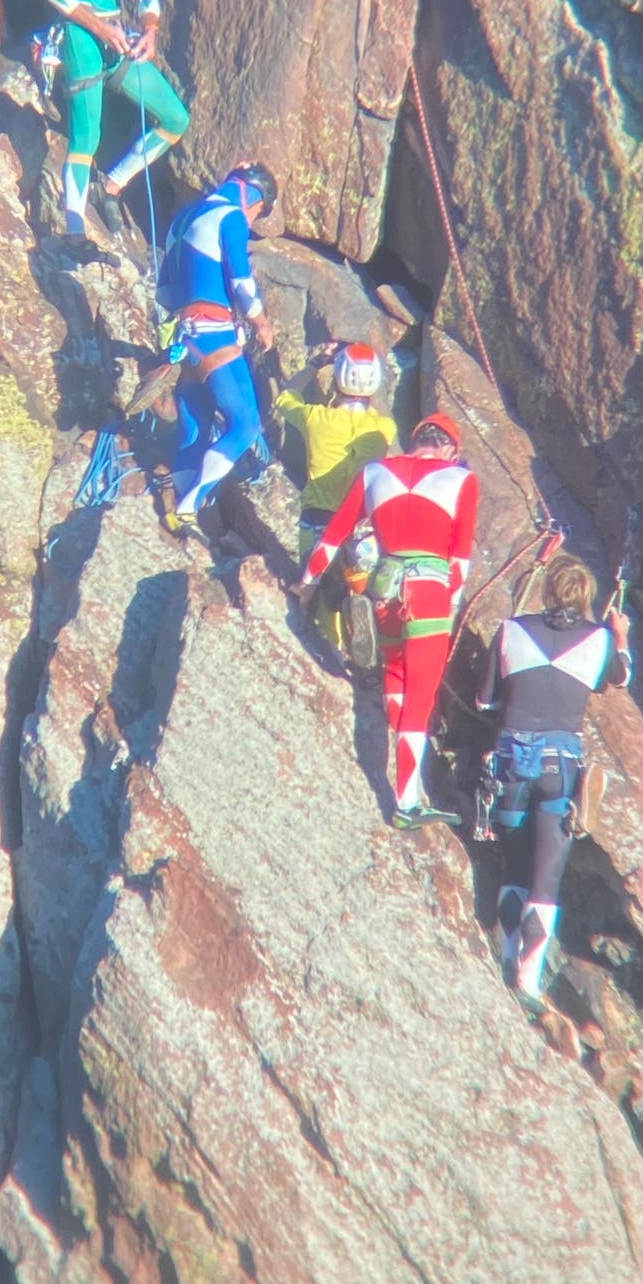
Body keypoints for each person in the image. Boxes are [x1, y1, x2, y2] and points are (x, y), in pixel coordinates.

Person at [299, 413, 479, 825]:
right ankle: (407, 803)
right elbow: (460, 558)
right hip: (429, 593)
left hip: (385, 589)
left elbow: (335, 534)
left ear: (416, 440)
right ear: (450, 448)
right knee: (421, 700)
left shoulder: (374, 472)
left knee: (395, 671)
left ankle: (403, 756)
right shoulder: (460, 480)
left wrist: (305, 582)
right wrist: (450, 607)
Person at [474, 555, 631, 1006]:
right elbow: (622, 677)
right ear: (585, 599)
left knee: (515, 865)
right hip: (558, 767)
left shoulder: (510, 630)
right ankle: (528, 977)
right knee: (546, 879)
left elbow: (484, 700)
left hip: (508, 762)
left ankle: (507, 952)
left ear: (547, 590)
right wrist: (620, 637)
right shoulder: (599, 640)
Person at [38, 0, 190, 238]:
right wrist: (100, 27)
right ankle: (74, 228)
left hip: (115, 37)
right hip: (78, 32)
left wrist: (151, 31)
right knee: (88, 134)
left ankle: (112, 184)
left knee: (176, 118)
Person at [154, 163, 281, 532]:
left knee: (197, 426)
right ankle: (189, 508)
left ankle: (180, 509)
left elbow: (164, 291)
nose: (254, 219)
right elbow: (241, 281)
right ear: (253, 198)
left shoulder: (183, 218)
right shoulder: (231, 217)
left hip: (185, 336)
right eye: (259, 212)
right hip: (216, 333)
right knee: (244, 425)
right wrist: (260, 321)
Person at [272, 340, 398, 649]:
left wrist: (317, 363)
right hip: (360, 525)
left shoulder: (315, 418)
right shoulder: (384, 429)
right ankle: (360, 647)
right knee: (356, 589)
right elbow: (374, 411)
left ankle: (328, 644)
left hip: (317, 518)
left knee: (316, 595)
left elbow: (284, 398)